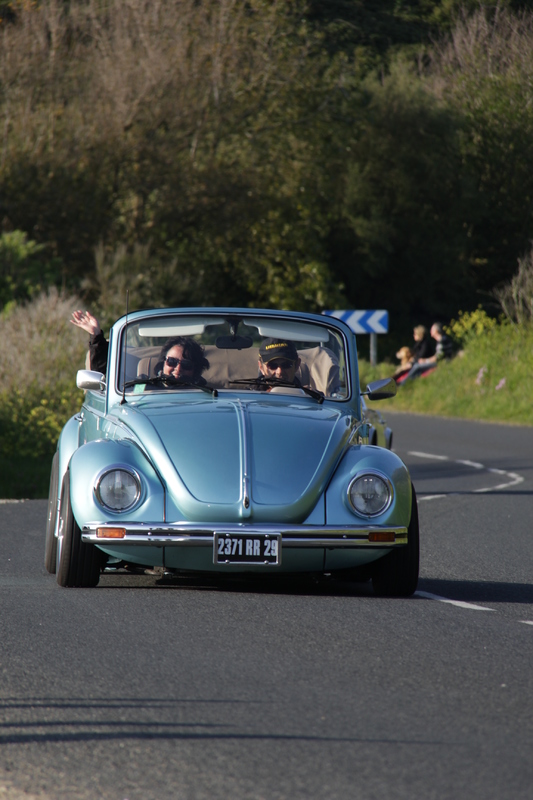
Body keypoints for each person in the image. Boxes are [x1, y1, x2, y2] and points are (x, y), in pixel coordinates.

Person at [70, 310, 208, 385]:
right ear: (163, 362)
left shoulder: (206, 394)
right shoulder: (143, 386)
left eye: (186, 364)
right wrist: (96, 336)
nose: (178, 369)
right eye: (171, 362)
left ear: (195, 369)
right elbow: (106, 376)